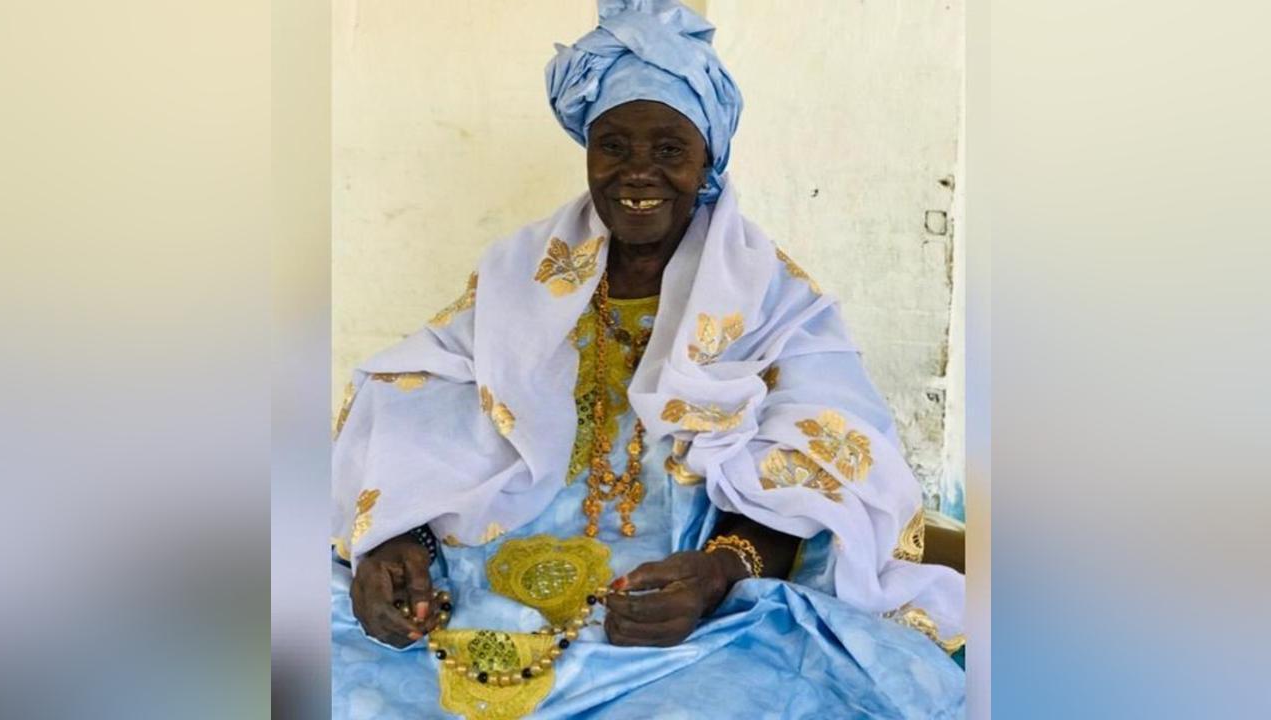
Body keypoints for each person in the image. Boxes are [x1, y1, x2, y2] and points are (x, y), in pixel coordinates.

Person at [331, 1, 965, 717]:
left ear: (707, 161)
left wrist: (718, 573)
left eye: (669, 150)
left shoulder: (770, 300)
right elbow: (411, 397)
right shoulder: (520, 277)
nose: (638, 173)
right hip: (479, 581)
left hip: (693, 611)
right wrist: (397, 540)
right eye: (613, 146)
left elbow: (833, 460)